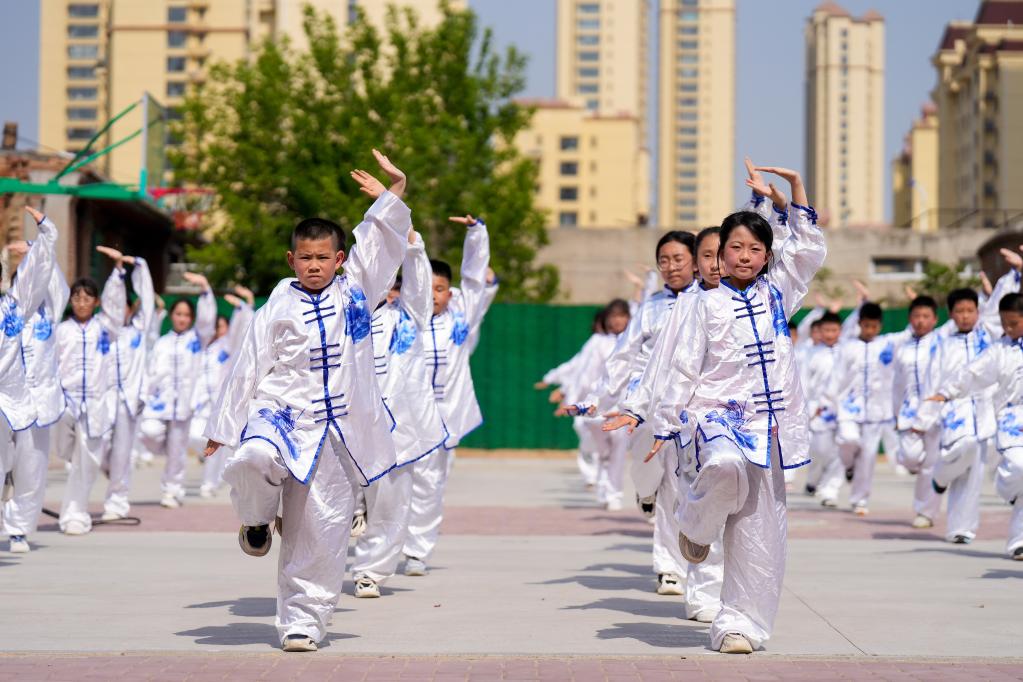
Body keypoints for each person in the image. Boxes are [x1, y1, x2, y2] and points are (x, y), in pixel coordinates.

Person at [203, 149, 411, 652]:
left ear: (339, 260)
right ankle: (255, 519)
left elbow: (383, 246)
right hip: (281, 413)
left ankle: (304, 621)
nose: (314, 266)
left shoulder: (357, 289)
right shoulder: (278, 301)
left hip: (338, 426)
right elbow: (249, 362)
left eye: (324, 258)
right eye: (306, 257)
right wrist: (222, 425)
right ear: (290, 259)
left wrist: (393, 194)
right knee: (249, 459)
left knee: (320, 530)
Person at [624, 166, 824, 653]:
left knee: (761, 533)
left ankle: (739, 626)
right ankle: (694, 527)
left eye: (756, 249)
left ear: (766, 257)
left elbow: (807, 252)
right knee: (725, 465)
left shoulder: (779, 294)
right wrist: (665, 423)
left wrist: (795, 193)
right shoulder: (701, 304)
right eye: (735, 248)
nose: (744, 257)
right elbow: (680, 366)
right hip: (715, 416)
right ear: (716, 255)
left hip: (769, 424)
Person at [352, 212, 446, 599]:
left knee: (391, 504)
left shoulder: (408, 317)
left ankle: (370, 571)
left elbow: (420, 286)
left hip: (399, 432)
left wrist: (410, 237)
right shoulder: (344, 314)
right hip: (347, 425)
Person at [402, 213, 492, 577]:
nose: (434, 296)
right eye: (429, 289)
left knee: (430, 484)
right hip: (406, 416)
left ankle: (416, 551)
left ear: (449, 293)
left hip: (445, 417)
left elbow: (474, 277)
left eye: (441, 290)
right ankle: (385, 537)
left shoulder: (460, 315)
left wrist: (476, 234)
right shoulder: (405, 318)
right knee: (395, 482)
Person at [928, 288, 1023, 561]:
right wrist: (946, 392)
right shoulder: (997, 349)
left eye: (1014, 323)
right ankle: (1008, 491)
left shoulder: (987, 332)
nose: (1007, 327)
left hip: (983, 416)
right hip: (1008, 419)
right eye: (1004, 322)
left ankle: (1018, 543)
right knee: (1017, 467)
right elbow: (973, 373)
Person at [56, 247, 136, 535]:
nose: (81, 302)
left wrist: (117, 272)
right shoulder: (61, 330)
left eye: (87, 297)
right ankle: (72, 500)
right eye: (76, 297)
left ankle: (75, 514)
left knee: (87, 461)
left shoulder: (105, 327)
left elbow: (116, 307)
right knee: (66, 451)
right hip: (65, 401)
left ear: (96, 301)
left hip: (95, 403)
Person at [0, 207, 59, 552]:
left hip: (18, 399)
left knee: (29, 464)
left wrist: (45, 230)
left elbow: (40, 271)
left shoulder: (14, 305)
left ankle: (19, 529)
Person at [138, 272, 215, 508]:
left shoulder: (197, 339)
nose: (182, 318)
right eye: (178, 314)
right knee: (149, 432)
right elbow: (152, 373)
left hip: (184, 405)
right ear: (172, 316)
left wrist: (205, 289)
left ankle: (172, 490)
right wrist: (145, 396)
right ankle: (164, 451)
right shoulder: (162, 343)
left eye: (186, 315)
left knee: (178, 451)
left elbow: (207, 321)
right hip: (159, 405)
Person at [827, 301, 911, 515]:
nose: (870, 330)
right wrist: (830, 402)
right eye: (866, 325)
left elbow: (912, 331)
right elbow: (836, 377)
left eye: (874, 326)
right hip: (849, 408)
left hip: (876, 411)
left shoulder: (887, 344)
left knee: (869, 456)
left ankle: (859, 499)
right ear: (859, 324)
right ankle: (847, 466)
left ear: (880, 326)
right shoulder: (847, 347)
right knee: (848, 439)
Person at [100, 248, 154, 521]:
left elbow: (146, 296)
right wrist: (117, 272)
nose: (119, 309)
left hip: (129, 399)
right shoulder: (104, 332)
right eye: (115, 305)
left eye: (125, 305)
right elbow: (110, 299)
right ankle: (110, 472)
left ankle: (117, 503)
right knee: (98, 449)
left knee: (123, 450)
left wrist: (138, 265)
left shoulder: (139, 329)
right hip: (104, 397)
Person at [192, 287, 255, 498]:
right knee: (195, 437)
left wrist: (243, 306)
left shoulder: (226, 347)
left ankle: (211, 482)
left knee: (219, 447)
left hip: (220, 403)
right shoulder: (199, 346)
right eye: (215, 327)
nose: (217, 330)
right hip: (199, 403)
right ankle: (213, 478)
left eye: (221, 326)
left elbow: (243, 329)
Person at [892, 295, 944, 529]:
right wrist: (895, 414)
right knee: (911, 458)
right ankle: (919, 477)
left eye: (926, 316)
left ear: (934, 319)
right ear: (910, 319)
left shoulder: (941, 343)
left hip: (935, 412)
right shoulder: (902, 348)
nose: (921, 321)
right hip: (908, 412)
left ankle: (926, 512)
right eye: (916, 316)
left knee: (931, 466)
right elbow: (897, 385)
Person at [802, 312, 845, 507]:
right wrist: (808, 409)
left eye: (834, 330)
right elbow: (803, 383)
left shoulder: (846, 352)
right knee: (819, 449)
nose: (829, 334)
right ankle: (813, 479)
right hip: (818, 409)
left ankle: (830, 490)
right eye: (826, 330)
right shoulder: (811, 354)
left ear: (840, 331)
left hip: (843, 410)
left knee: (840, 450)